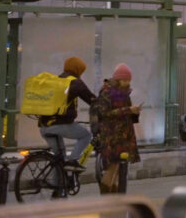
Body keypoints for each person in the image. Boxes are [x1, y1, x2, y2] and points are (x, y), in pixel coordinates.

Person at [38, 57, 97, 171]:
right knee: (86, 135)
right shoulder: (75, 82)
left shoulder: (56, 80)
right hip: (59, 125)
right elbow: (92, 100)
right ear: (78, 70)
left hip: (44, 126)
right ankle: (73, 160)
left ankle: (58, 187)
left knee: (59, 159)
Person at [93, 64, 141, 194]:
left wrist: (134, 112)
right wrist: (127, 110)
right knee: (112, 167)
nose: (126, 83)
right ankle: (105, 196)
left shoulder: (125, 93)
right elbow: (104, 113)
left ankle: (113, 197)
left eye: (128, 81)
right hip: (111, 135)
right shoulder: (106, 92)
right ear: (117, 79)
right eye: (124, 80)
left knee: (119, 167)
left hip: (123, 135)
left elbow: (127, 113)